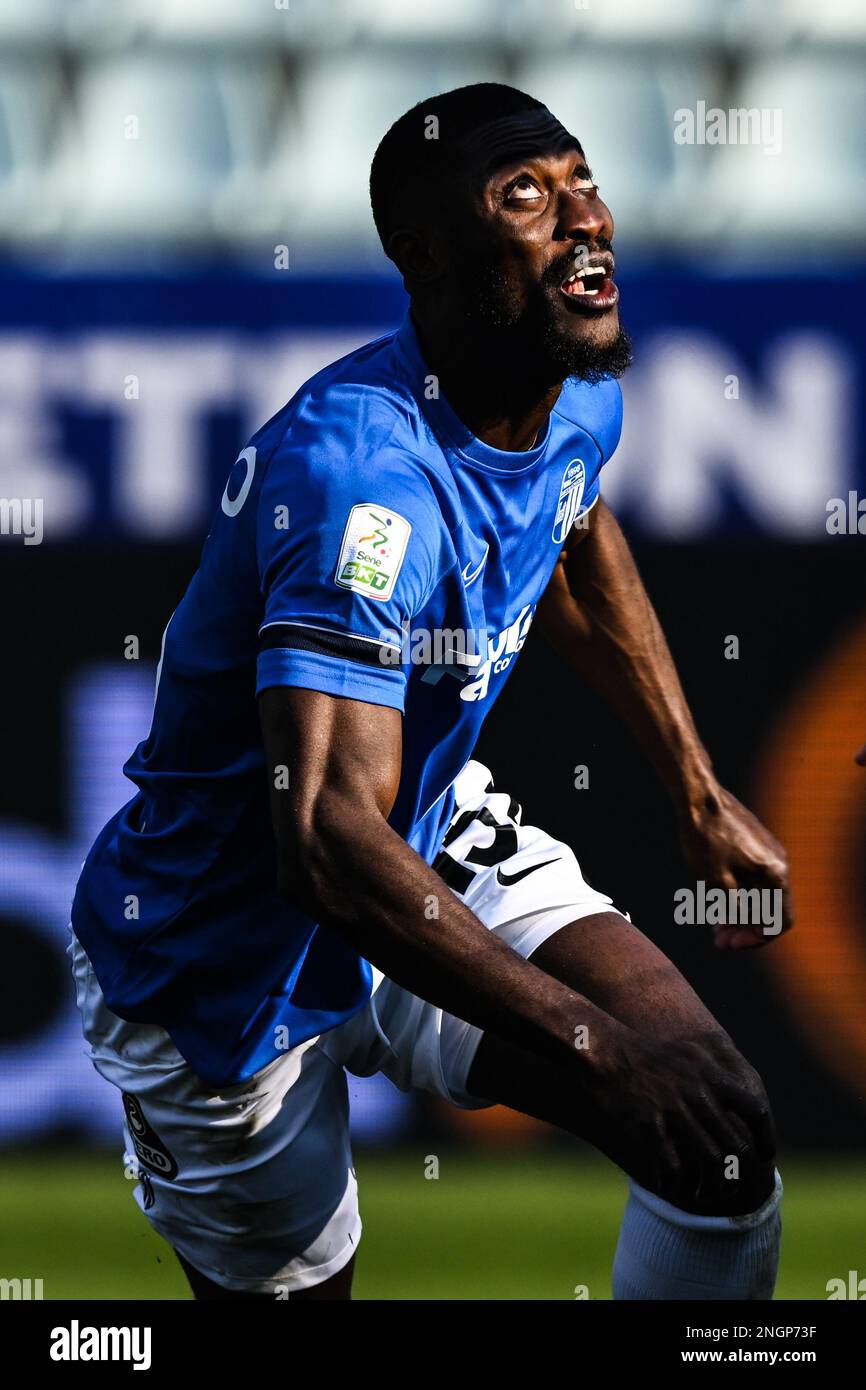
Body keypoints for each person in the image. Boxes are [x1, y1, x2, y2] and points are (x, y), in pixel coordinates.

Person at [70, 83, 790, 1301]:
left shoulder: (576, 388)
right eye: (525, 196)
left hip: (419, 830)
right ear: (425, 254)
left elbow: (571, 525)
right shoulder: (358, 481)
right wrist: (587, 1043)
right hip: (224, 947)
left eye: (581, 181)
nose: (583, 221)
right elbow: (324, 845)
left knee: (714, 1134)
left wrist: (694, 784)